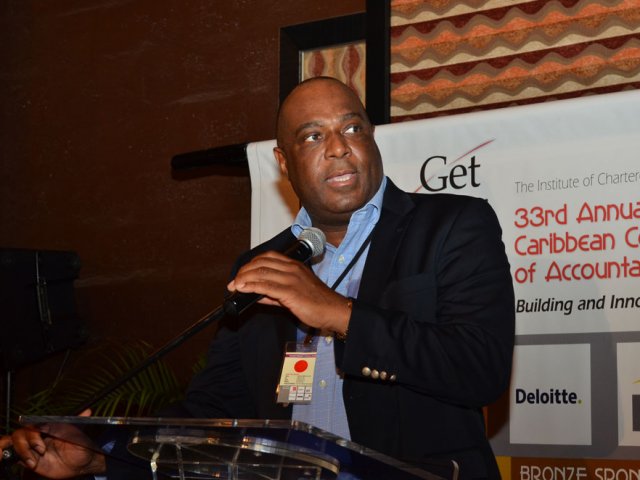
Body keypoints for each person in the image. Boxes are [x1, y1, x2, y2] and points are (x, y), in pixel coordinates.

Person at [1, 77, 515, 479]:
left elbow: (479, 368)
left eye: (352, 128)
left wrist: (337, 313)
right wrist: (100, 457)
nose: (338, 147)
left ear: (372, 139)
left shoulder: (452, 226)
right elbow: (215, 410)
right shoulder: (264, 266)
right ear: (283, 162)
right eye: (313, 136)